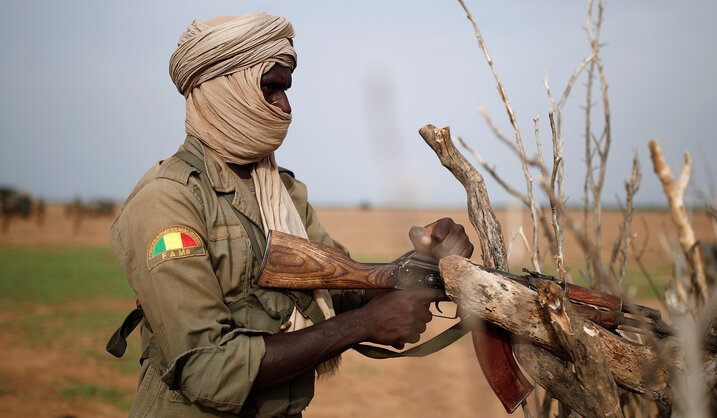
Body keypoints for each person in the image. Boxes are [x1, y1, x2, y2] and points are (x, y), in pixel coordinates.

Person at [108, 12, 474, 417]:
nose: (285, 107)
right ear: (225, 90)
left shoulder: (282, 190)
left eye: (287, 90)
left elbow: (342, 289)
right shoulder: (168, 199)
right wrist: (362, 326)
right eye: (271, 88)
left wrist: (420, 264)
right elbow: (206, 367)